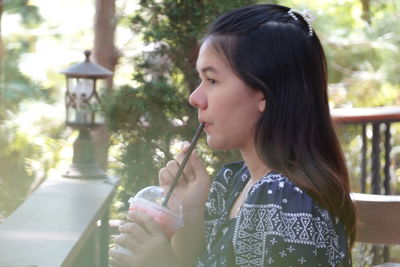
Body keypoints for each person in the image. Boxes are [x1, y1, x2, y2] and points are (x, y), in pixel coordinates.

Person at [110, 4, 356, 267]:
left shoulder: (281, 202)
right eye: (200, 80)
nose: (195, 98)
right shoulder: (234, 180)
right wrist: (190, 213)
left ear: (264, 93)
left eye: (212, 80)